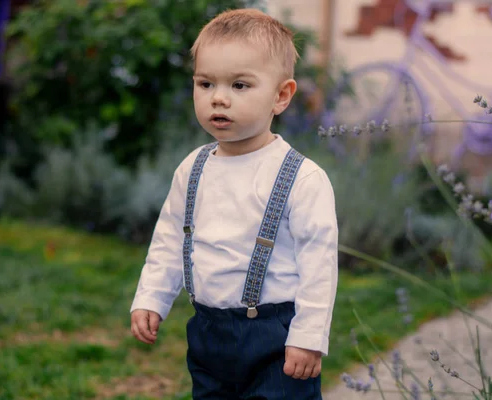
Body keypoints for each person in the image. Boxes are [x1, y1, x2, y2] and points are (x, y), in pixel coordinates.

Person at [130, 8, 338, 399]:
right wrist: (151, 298)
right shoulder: (193, 169)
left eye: (240, 86)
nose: (219, 99)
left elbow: (319, 264)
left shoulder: (302, 179)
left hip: (275, 338)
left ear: (281, 96)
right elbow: (170, 240)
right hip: (209, 332)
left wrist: (308, 336)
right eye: (205, 84)